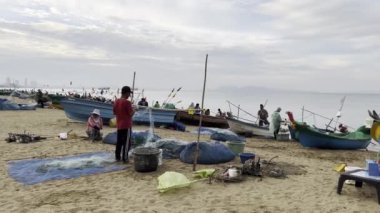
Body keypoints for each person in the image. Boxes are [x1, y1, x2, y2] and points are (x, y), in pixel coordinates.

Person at [113, 86, 135, 163]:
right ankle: (125, 158)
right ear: (126, 93)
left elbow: (114, 112)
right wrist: (135, 109)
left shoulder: (116, 101)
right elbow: (131, 114)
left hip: (119, 124)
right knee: (126, 143)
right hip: (127, 125)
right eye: (129, 93)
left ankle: (117, 157)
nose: (129, 95)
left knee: (119, 142)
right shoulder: (127, 102)